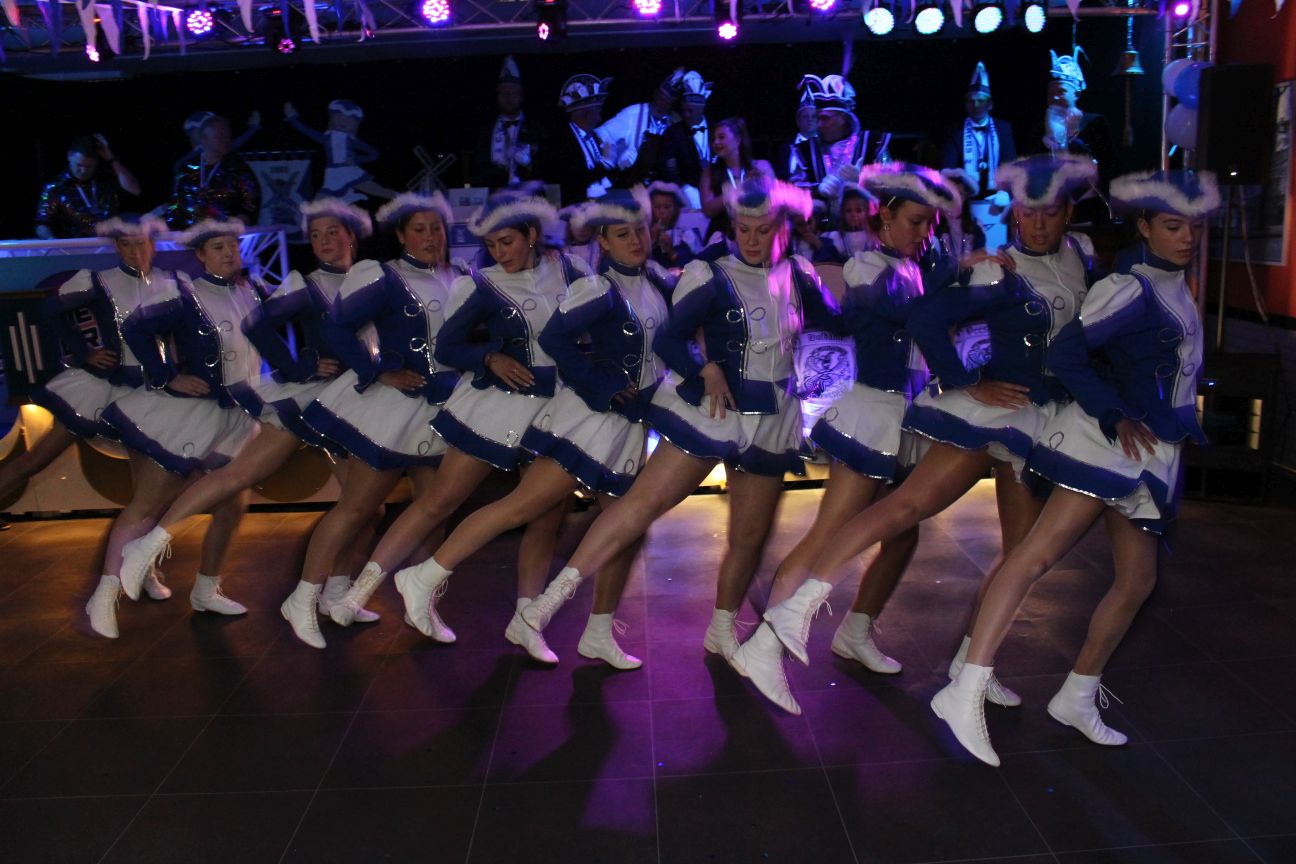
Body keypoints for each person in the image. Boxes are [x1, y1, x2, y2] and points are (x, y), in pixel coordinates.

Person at [931, 170, 1219, 766]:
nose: (1187, 237)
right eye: (1173, 226)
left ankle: (1077, 696)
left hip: (1151, 451)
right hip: (1108, 446)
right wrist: (1113, 414)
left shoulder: (1174, 285)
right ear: (1145, 228)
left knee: (1137, 581)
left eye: (1194, 226)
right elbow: (1068, 354)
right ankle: (964, 687)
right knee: (1033, 556)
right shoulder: (1130, 287)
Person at [514, 178, 842, 663]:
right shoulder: (712, 273)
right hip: (710, 413)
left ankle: (722, 630)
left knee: (749, 537)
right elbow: (670, 339)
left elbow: (840, 321)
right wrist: (701, 368)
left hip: (772, 419)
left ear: (784, 229)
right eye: (743, 229)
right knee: (641, 505)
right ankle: (546, 604)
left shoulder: (798, 273)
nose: (752, 239)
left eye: (764, 230)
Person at [380, 188, 675, 669]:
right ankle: (425, 575)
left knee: (626, 529)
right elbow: (556, 340)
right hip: (585, 420)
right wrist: (599, 385)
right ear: (603, 241)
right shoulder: (598, 287)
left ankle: (597, 631)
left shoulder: (653, 282)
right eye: (622, 234)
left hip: (626, 425)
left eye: (639, 231)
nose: (636, 241)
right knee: (522, 506)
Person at [728, 163, 964, 714]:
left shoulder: (915, 265)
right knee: (829, 534)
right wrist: (955, 277)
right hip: (870, 414)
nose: (924, 232)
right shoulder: (867, 267)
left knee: (901, 535)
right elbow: (908, 312)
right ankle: (764, 647)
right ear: (885, 218)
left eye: (930, 223)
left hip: (904, 416)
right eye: (914, 222)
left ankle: (855, 631)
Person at [330, 189, 592, 663]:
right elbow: (448, 347)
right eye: (491, 245)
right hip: (498, 405)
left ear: (532, 234)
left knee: (545, 515)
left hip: (559, 407)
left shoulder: (571, 271)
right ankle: (360, 591)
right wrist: (490, 357)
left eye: (507, 241)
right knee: (439, 501)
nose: (499, 253)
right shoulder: (481, 283)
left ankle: (527, 621)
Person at [115, 199, 381, 629]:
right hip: (309, 400)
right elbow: (258, 326)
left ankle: (333, 592)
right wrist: (299, 366)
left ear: (351, 236)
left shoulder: (370, 277)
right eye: (315, 235)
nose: (324, 241)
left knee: (363, 507)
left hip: (354, 402)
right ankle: (148, 546)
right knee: (238, 478)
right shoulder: (302, 282)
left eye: (333, 232)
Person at [275, 193, 463, 647]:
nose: (429, 237)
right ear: (400, 235)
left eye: (436, 228)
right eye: (419, 229)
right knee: (357, 507)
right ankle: (301, 597)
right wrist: (377, 370)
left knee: (434, 510)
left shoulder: (457, 276)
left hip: (442, 408)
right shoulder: (384, 275)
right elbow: (335, 327)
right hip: (392, 409)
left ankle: (420, 603)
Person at [88, 220, 262, 638]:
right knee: (148, 504)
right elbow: (135, 328)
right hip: (190, 415)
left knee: (232, 506)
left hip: (238, 417)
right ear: (200, 255)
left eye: (232, 245)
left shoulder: (250, 291)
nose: (228, 252)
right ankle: (104, 596)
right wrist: (167, 377)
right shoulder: (185, 294)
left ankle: (206, 589)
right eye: (217, 247)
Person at [2, 215, 173, 609]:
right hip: (103, 389)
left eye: (141, 242)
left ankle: (145, 570)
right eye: (126, 244)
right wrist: (84, 353)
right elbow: (50, 310)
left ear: (153, 244)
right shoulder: (100, 281)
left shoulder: (169, 284)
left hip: (150, 394)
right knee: (34, 461)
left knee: (146, 492)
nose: (135, 251)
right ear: (117, 247)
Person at [1028, 49, 1112, 224]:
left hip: (1085, 209)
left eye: (1060, 91)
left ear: (1076, 94)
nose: (1054, 97)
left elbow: (1102, 169)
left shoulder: (1094, 123)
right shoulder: (1040, 128)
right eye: (1050, 93)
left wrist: (1071, 138)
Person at [941, 63, 1016, 250]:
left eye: (980, 101)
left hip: (997, 202)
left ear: (990, 104)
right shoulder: (955, 132)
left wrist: (1005, 192)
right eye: (971, 101)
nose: (976, 105)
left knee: (997, 250)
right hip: (966, 205)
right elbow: (946, 168)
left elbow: (1010, 164)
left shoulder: (1003, 128)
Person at [792, 74, 892, 210]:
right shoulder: (804, 151)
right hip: (822, 223)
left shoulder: (872, 144)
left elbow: (893, 190)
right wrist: (817, 191)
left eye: (825, 118)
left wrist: (863, 181)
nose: (819, 124)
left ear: (843, 118)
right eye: (817, 118)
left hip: (867, 221)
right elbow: (792, 196)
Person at [284, 99, 399, 202]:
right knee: (316, 205)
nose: (343, 121)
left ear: (354, 124)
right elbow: (306, 131)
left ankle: (406, 200)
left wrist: (355, 160)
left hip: (350, 172)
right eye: (339, 117)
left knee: (378, 191)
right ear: (332, 118)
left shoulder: (351, 140)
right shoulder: (327, 138)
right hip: (333, 175)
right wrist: (292, 118)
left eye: (349, 120)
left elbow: (374, 154)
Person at [35, 135, 141, 239]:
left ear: (96, 162)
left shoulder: (106, 179)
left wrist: (111, 158)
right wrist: (54, 243)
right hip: (76, 246)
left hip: (111, 243)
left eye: (89, 166)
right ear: (69, 156)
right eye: (79, 165)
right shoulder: (55, 188)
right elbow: (42, 224)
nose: (83, 171)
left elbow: (135, 190)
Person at [164, 115, 260, 229]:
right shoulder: (187, 169)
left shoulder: (238, 168)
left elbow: (251, 200)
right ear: (204, 139)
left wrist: (244, 218)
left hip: (226, 232)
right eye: (219, 136)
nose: (226, 140)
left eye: (227, 135)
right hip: (190, 233)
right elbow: (176, 204)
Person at [699, 118, 776, 244]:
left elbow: (774, 200)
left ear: (737, 140)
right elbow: (708, 210)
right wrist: (734, 192)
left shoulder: (761, 167)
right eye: (713, 139)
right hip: (722, 234)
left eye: (721, 137)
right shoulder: (709, 173)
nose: (716, 142)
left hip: (756, 230)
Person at [544, 74, 618, 204]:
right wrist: (606, 162)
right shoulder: (561, 142)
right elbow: (575, 180)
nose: (600, 118)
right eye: (598, 112)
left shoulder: (594, 137)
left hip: (595, 206)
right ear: (587, 115)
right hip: (571, 208)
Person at [597, 68, 684, 174]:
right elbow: (600, 133)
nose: (662, 104)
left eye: (667, 102)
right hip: (631, 178)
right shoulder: (632, 114)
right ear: (656, 94)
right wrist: (614, 154)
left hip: (663, 179)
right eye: (661, 98)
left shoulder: (677, 120)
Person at [653, 71, 715, 207]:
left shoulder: (717, 129)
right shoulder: (673, 133)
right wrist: (684, 189)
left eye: (690, 111)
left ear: (701, 109)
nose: (685, 115)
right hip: (687, 200)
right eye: (684, 110)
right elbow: (665, 167)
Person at [479, 56, 542, 189]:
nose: (509, 98)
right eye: (504, 93)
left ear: (521, 96)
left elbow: (548, 166)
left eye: (514, 93)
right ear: (498, 96)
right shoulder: (486, 130)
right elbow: (480, 166)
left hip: (530, 194)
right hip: (498, 194)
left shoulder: (535, 128)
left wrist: (528, 163)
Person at [172, 110, 261, 175]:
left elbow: (241, 140)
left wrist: (254, 127)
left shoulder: (222, 147)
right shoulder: (195, 154)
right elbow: (179, 166)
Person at [813, 184, 876, 264]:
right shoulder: (837, 237)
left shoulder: (872, 237)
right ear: (842, 213)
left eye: (858, 210)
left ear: (867, 212)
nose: (853, 214)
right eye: (848, 211)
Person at [647, 181, 703, 270]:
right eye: (657, 207)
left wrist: (671, 251)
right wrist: (651, 241)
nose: (661, 211)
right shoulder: (646, 234)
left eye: (666, 207)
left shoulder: (685, 234)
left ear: (675, 210)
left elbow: (690, 265)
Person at [776, 83, 819, 182]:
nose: (809, 119)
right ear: (798, 121)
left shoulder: (825, 146)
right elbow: (779, 178)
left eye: (813, 116)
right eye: (805, 116)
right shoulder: (786, 148)